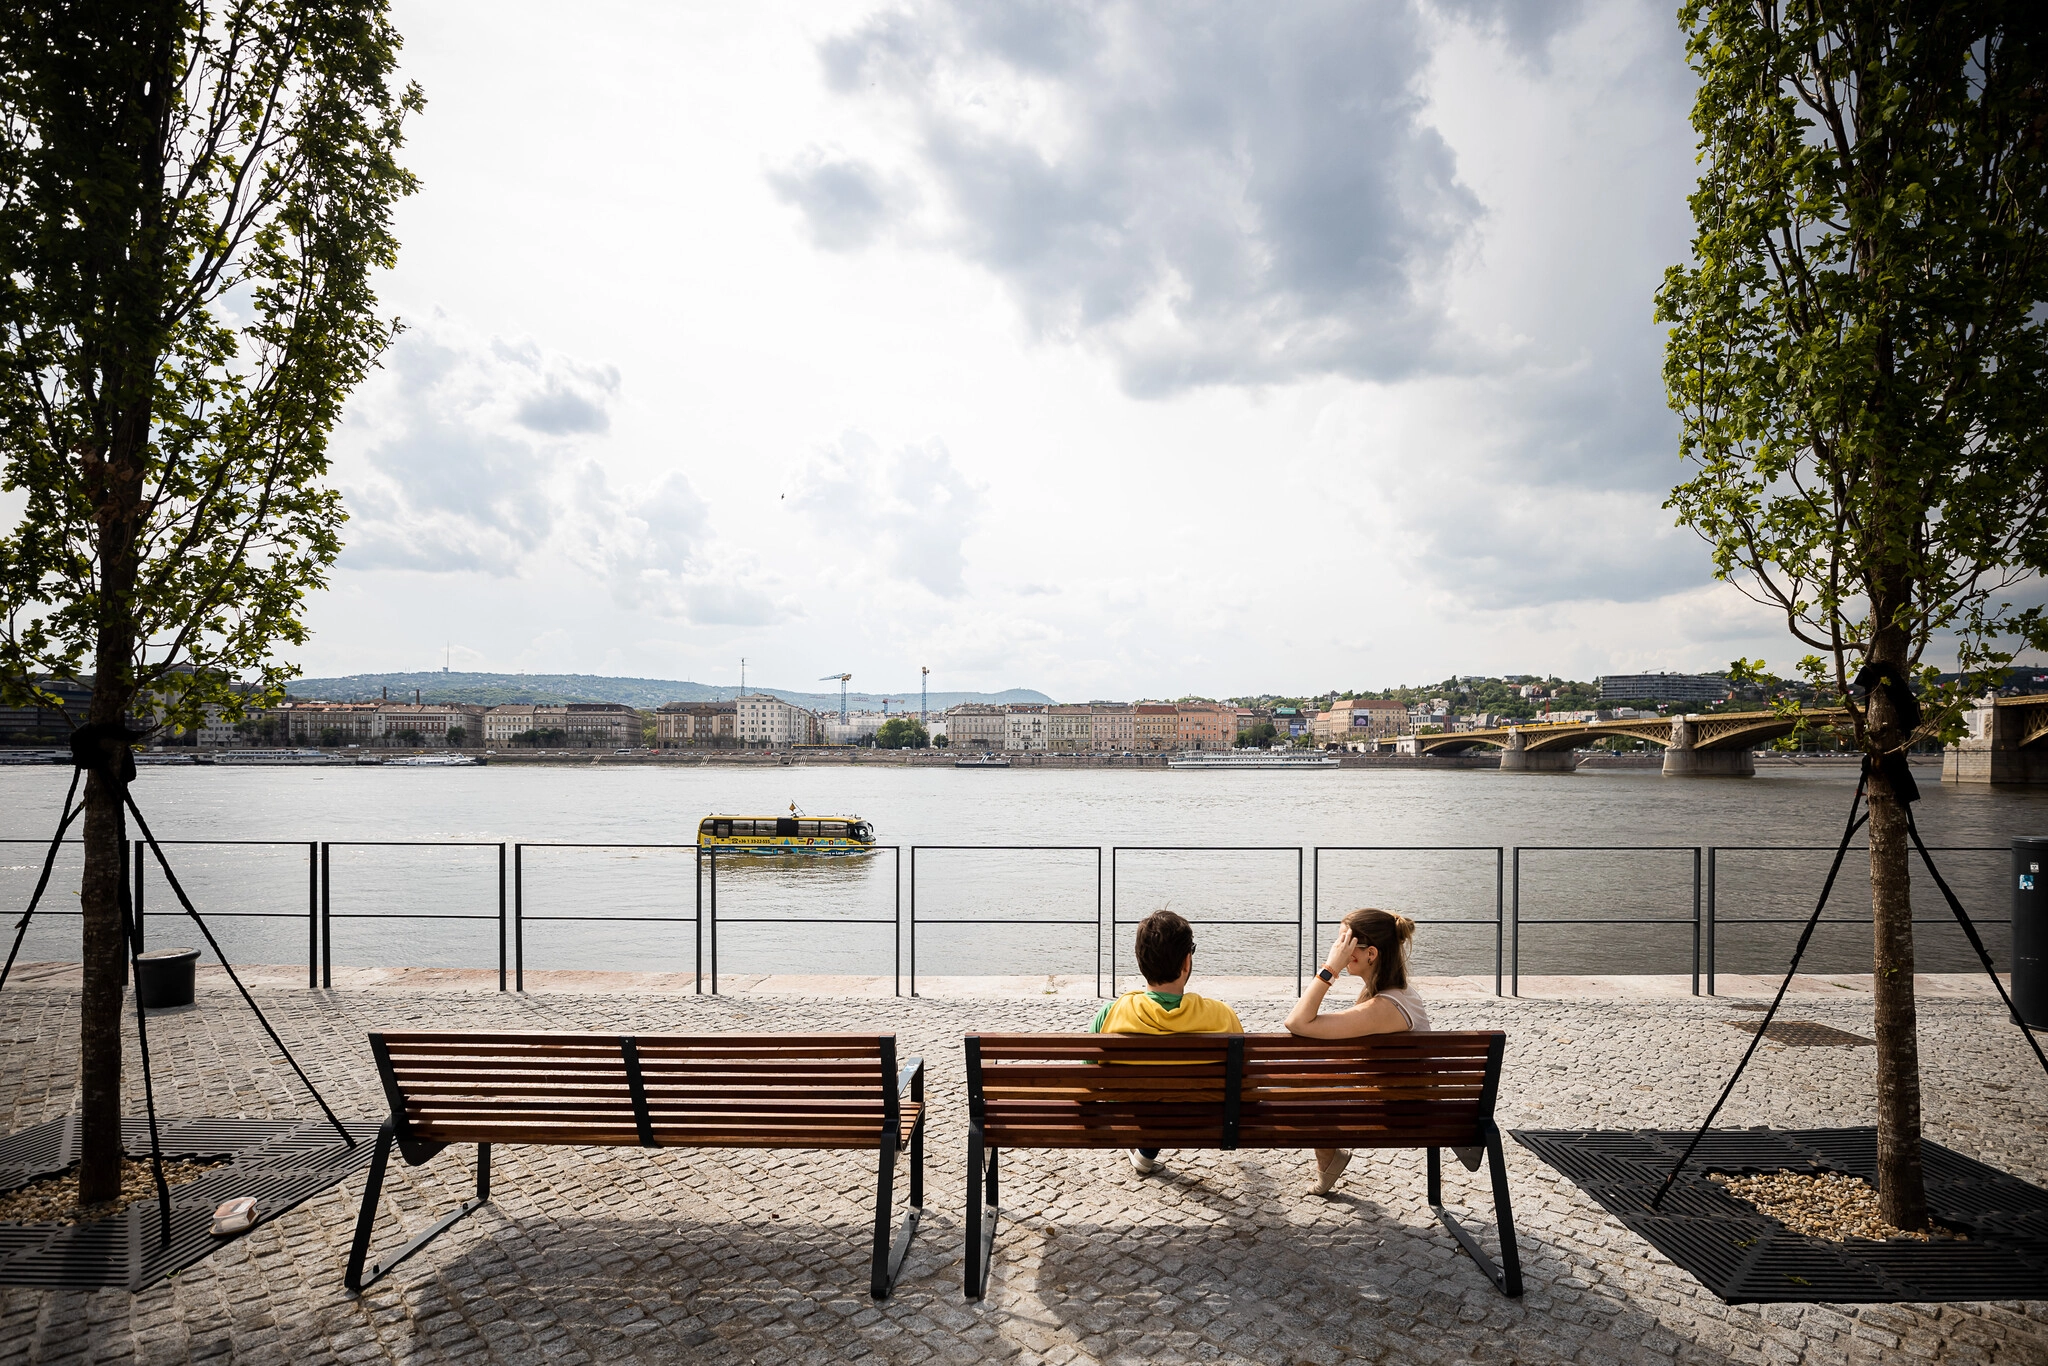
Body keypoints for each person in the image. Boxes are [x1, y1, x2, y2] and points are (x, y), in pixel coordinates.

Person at [1284, 908, 1475, 1194]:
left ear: (1369, 954)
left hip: (1401, 1111)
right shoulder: (1395, 996)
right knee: (1307, 1074)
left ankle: (1329, 1157)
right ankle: (1330, 1157)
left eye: (1343, 943)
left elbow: (1297, 1022)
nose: (1337, 949)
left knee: (1296, 1092)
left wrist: (1330, 969)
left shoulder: (1385, 1007)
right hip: (1403, 1096)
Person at [1092, 908, 1244, 1174]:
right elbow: (1244, 1078)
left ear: (1141, 962)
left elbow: (1087, 1078)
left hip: (1134, 1118)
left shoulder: (1111, 1014)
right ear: (1186, 963)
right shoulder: (1222, 1015)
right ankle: (1147, 1151)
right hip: (1203, 1118)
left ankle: (1147, 1148)